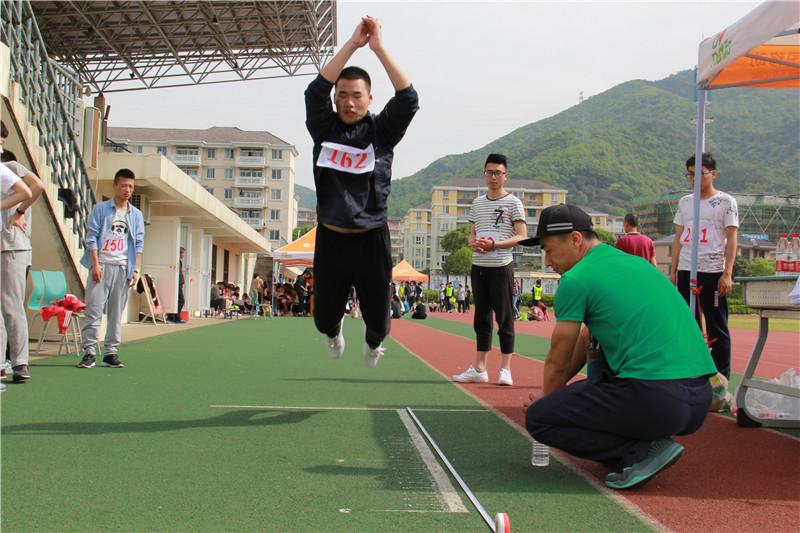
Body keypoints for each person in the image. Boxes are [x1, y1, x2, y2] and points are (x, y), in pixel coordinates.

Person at [522, 204, 716, 490]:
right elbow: (586, 338)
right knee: (600, 358)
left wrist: (548, 405)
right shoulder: (636, 264)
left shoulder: (576, 279)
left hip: (657, 398)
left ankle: (637, 452)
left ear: (576, 239)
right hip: (699, 399)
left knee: (539, 419)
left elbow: (557, 359)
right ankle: (643, 443)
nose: (548, 261)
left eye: (549, 250)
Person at [305, 16, 418, 368]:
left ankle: (372, 343)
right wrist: (352, 44)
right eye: (343, 96)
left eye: (357, 96)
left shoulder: (382, 132)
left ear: (370, 98)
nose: (349, 103)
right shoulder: (324, 128)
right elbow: (315, 91)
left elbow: (409, 98)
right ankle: (335, 328)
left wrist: (379, 49)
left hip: (372, 238)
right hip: (332, 237)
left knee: (379, 323)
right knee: (323, 319)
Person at [670, 152, 738, 410]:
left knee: (717, 325)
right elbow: (677, 238)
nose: (694, 178)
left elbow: (731, 238)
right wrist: (674, 270)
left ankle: (721, 383)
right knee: (690, 324)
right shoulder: (685, 203)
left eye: (700, 173)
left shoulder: (725, 202)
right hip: (688, 269)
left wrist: (727, 272)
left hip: (712, 270)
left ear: (713, 173)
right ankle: (695, 377)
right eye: (690, 173)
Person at [452, 154, 527, 387]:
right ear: (484, 174)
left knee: (505, 318)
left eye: (498, 172)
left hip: (501, 266)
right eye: (489, 172)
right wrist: (473, 242)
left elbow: (521, 236)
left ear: (506, 175)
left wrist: (494, 245)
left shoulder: (513, 203)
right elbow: (472, 233)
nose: (493, 176)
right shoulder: (477, 203)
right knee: (481, 317)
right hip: (479, 267)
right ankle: (480, 368)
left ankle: (505, 369)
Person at [78, 169, 145, 369]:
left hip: (123, 267)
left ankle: (110, 353)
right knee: (94, 310)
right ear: (115, 186)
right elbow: (91, 237)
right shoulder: (101, 209)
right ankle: (89, 352)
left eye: (131, 186)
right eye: (124, 185)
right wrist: (95, 264)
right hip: (102, 265)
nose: (127, 190)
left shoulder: (136, 215)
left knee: (116, 313)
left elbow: (139, 243)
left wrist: (135, 269)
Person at [1, 124, 44, 383]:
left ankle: (20, 362)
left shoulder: (12, 167)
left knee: (11, 304)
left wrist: (18, 213)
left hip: (13, 245)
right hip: (6, 244)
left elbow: (36, 186)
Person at [169, 247, 187, 323]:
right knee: (181, 301)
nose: (184, 255)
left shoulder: (179, 262)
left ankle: (173, 316)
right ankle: (175, 317)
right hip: (177, 283)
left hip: (179, 283)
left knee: (178, 300)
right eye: (183, 253)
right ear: (180, 253)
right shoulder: (177, 262)